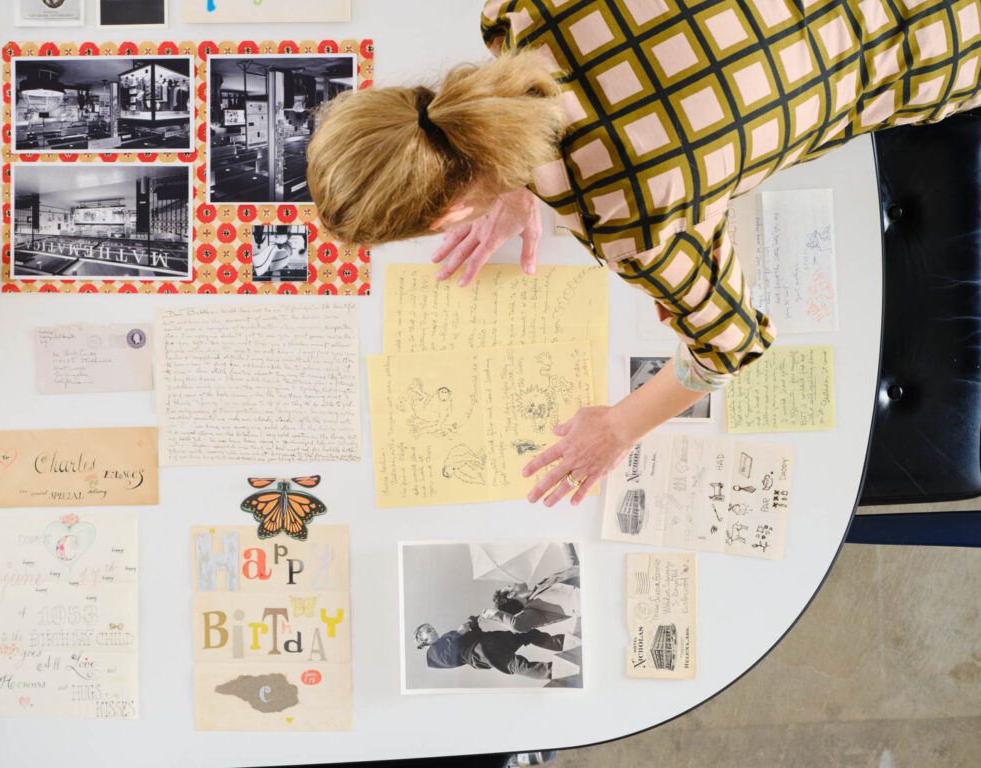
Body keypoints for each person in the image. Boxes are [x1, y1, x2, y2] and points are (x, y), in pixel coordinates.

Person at [308, 0, 981, 507]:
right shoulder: (515, 12)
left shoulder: (628, 219)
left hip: (941, 38)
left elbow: (732, 342)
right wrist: (515, 179)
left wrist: (617, 427)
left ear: (449, 212)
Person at [415, 616, 566, 681]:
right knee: (517, 664)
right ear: (423, 640)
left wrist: (473, 624)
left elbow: (473, 635)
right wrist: (460, 632)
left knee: (527, 633)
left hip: (491, 639)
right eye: (428, 631)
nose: (433, 630)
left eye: (432, 628)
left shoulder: (447, 636)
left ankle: (561, 643)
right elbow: (450, 657)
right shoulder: (432, 653)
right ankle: (560, 670)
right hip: (481, 651)